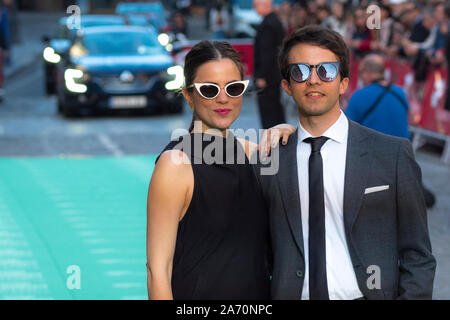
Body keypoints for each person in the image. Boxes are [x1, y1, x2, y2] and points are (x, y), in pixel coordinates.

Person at [257, 25, 436, 300]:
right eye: (300, 71)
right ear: (286, 86)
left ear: (343, 82)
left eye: (325, 70)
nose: (313, 80)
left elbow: (418, 255)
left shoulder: (393, 154)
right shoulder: (269, 159)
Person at [146, 40, 295, 300]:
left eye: (234, 88)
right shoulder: (175, 165)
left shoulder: (256, 153)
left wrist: (290, 133)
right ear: (188, 95)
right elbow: (157, 271)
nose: (223, 98)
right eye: (209, 89)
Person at [346, 54, 410, 139]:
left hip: (372, 150)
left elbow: (346, 131)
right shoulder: (400, 92)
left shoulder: (359, 96)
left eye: (360, 72)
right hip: (401, 150)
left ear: (366, 72)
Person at [253, 0, 286, 129]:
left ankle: (272, 137)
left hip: (268, 76)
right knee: (274, 107)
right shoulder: (273, 22)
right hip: (273, 75)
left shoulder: (269, 24)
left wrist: (262, 75)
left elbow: (266, 52)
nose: (254, 8)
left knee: (269, 110)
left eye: (256, 5)